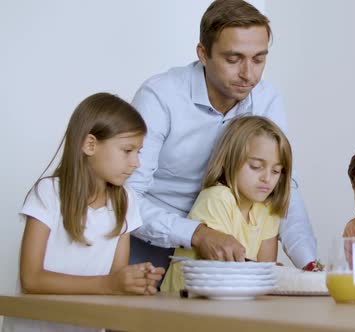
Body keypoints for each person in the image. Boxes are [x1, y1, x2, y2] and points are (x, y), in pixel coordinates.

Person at [127, 0, 316, 272]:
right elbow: (125, 198)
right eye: (233, 59)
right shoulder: (160, 97)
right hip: (149, 241)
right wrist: (197, 233)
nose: (248, 74)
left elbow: (286, 188)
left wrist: (309, 262)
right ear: (203, 54)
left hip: (228, 246)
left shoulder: (266, 98)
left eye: (259, 59)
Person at [3, 93, 165, 332]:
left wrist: (135, 281)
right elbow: (31, 279)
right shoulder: (48, 193)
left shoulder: (126, 200)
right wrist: (109, 284)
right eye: (127, 150)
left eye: (138, 152)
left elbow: (116, 278)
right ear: (90, 145)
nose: (136, 163)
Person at [160, 116, 291, 292]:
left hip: (232, 304)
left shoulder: (267, 209)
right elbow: (224, 275)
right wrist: (267, 272)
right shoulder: (217, 198)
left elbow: (265, 273)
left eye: (276, 171)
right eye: (255, 166)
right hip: (184, 305)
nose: (267, 178)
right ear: (230, 160)